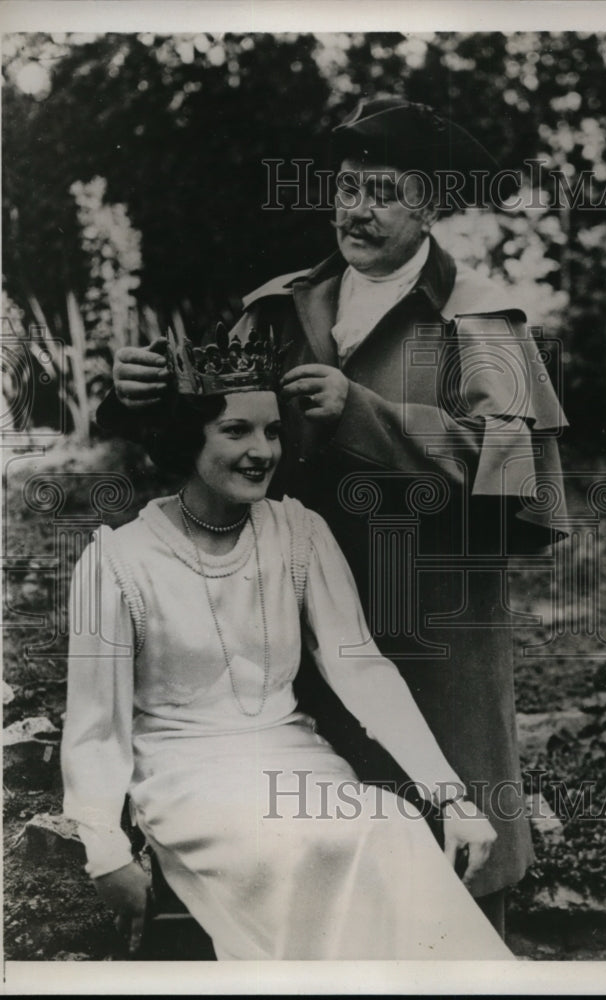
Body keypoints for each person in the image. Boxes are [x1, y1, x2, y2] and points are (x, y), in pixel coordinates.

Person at [98, 96, 568, 936]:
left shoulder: (481, 318)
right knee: (312, 829)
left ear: (429, 203)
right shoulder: (280, 307)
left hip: (430, 614)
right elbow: (211, 433)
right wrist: (136, 399)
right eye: (346, 186)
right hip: (287, 612)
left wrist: (364, 414)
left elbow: (514, 472)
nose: (355, 208)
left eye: (382, 190)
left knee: (450, 822)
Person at [61, 323, 513, 960]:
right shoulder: (118, 560)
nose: (262, 451)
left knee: (391, 826)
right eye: (237, 430)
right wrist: (104, 847)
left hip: (293, 754)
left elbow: (362, 670)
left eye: (273, 431)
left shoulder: (298, 531)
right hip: (184, 771)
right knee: (290, 846)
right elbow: (95, 726)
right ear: (189, 438)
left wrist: (450, 794)